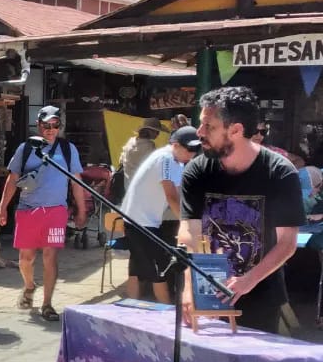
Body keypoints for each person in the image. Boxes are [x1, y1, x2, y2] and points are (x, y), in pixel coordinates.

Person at [179, 86, 306, 335]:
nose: (199, 132)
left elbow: (287, 244)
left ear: (236, 130)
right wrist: (188, 288)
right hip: (205, 290)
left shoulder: (280, 172)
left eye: (209, 126)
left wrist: (249, 280)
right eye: (200, 124)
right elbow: (189, 234)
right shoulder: (197, 169)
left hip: (260, 293)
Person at [0, 105, 88, 322]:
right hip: (28, 209)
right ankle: (29, 286)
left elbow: (76, 182)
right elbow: (12, 179)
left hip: (56, 210)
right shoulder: (26, 148)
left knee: (50, 256)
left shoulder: (68, 149)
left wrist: (82, 210)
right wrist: (2, 208)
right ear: (38, 125)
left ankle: (47, 304)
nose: (51, 129)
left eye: (55, 125)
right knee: (26, 258)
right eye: (46, 125)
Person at [120, 125, 202, 302]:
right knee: (160, 271)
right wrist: (187, 224)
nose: (192, 154)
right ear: (176, 145)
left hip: (136, 219)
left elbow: (179, 194)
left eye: (196, 149)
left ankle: (131, 307)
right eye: (189, 149)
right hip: (142, 222)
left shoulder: (170, 158)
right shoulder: (167, 159)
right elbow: (172, 196)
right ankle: (167, 313)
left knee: (136, 269)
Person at [117, 118, 161, 188]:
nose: (158, 134)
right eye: (157, 132)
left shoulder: (130, 141)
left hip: (128, 184)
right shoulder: (149, 146)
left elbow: (121, 161)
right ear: (149, 131)